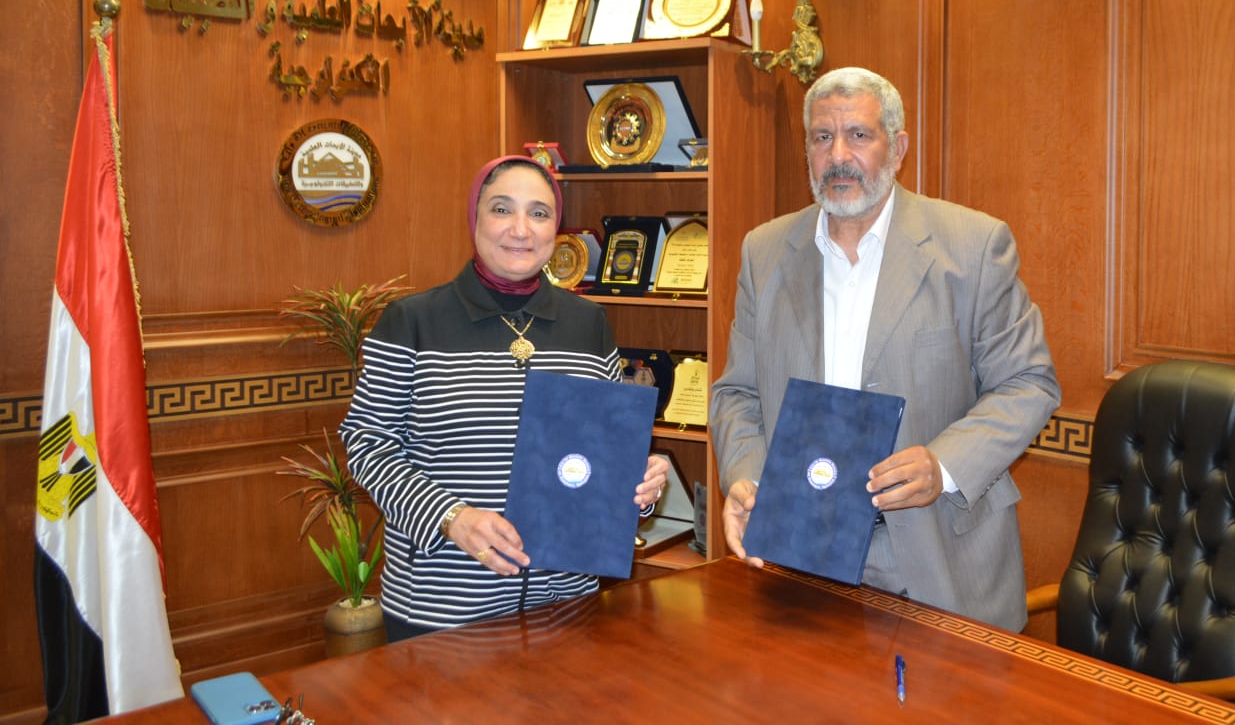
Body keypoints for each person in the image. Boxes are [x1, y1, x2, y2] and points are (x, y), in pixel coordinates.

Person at [709, 67, 1060, 631]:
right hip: (802, 555)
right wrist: (747, 479)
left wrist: (943, 465)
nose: (838, 156)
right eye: (822, 137)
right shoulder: (764, 251)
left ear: (897, 148)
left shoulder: (973, 246)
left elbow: (1028, 383)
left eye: (858, 135)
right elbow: (738, 394)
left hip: (940, 557)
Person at [340, 155, 669, 639]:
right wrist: (451, 518)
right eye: (501, 209)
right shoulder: (411, 322)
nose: (520, 229)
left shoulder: (588, 324)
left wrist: (638, 483)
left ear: (556, 227)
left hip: (568, 606)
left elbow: (604, 452)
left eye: (539, 213)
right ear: (474, 217)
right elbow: (368, 446)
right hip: (443, 608)